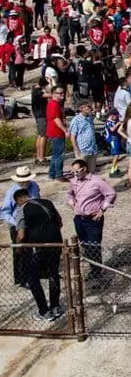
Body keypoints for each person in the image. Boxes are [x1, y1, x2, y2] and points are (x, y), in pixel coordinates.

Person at [12, 188, 64, 321]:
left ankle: (44, 311)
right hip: (56, 243)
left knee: (32, 277)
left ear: (19, 200)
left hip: (38, 247)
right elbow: (60, 223)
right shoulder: (47, 202)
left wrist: (18, 248)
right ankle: (56, 306)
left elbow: (21, 235)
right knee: (53, 273)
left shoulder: (22, 209)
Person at [3, 167, 40, 289]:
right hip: (17, 225)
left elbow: (38, 201)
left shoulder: (34, 186)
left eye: (27, 180)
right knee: (20, 251)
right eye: (23, 181)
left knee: (31, 250)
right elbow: (5, 212)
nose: (25, 183)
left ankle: (31, 275)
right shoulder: (11, 192)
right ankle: (21, 279)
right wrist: (18, 224)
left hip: (32, 223)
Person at [45, 86, 69, 181]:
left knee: (56, 154)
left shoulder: (55, 104)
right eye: (60, 93)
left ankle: (52, 173)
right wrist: (65, 130)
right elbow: (56, 119)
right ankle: (59, 175)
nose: (62, 94)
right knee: (59, 154)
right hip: (56, 132)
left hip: (55, 131)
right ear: (53, 94)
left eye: (63, 92)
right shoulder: (54, 104)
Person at [68, 102, 98, 173]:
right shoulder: (76, 120)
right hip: (82, 150)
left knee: (91, 172)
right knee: (80, 172)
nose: (89, 108)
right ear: (81, 109)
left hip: (92, 149)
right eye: (87, 107)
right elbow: (72, 136)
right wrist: (76, 149)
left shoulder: (90, 118)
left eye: (89, 106)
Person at [30, 78, 49, 166]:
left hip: (38, 115)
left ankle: (38, 156)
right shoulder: (37, 91)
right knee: (44, 136)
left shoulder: (35, 90)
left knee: (40, 135)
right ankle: (41, 157)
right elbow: (49, 95)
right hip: (41, 116)